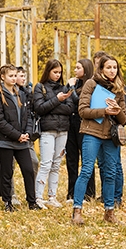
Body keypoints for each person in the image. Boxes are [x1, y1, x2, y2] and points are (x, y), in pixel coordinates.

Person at [72, 54, 126, 225]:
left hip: (110, 136)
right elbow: (83, 111)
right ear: (101, 68)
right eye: (108, 67)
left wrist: (117, 111)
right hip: (91, 132)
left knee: (110, 173)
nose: (112, 70)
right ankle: (77, 211)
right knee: (87, 170)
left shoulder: (118, 88)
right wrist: (104, 111)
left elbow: (124, 119)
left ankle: (109, 212)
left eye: (115, 67)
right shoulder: (91, 84)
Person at [0, 64, 41, 212]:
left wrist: (27, 134)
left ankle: (32, 201)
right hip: (5, 141)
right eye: (10, 76)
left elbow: (28, 116)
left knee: (28, 170)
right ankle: (8, 202)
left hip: (22, 140)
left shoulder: (21, 94)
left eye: (14, 76)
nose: (13, 78)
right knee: (7, 172)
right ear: (3, 77)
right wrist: (16, 135)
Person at [33, 59, 75, 208]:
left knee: (56, 164)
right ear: (48, 71)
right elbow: (39, 108)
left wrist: (51, 105)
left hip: (63, 130)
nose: (58, 75)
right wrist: (57, 100)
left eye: (60, 72)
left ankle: (52, 196)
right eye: (55, 72)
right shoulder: (40, 87)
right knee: (46, 163)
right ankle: (38, 197)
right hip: (47, 130)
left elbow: (69, 109)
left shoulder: (65, 88)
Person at [66, 58, 96, 203]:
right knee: (71, 159)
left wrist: (71, 89)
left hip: (84, 124)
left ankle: (88, 193)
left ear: (86, 69)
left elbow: (80, 102)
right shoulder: (75, 83)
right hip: (71, 124)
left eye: (78, 68)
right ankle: (71, 192)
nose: (75, 70)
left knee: (87, 160)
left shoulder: (91, 85)